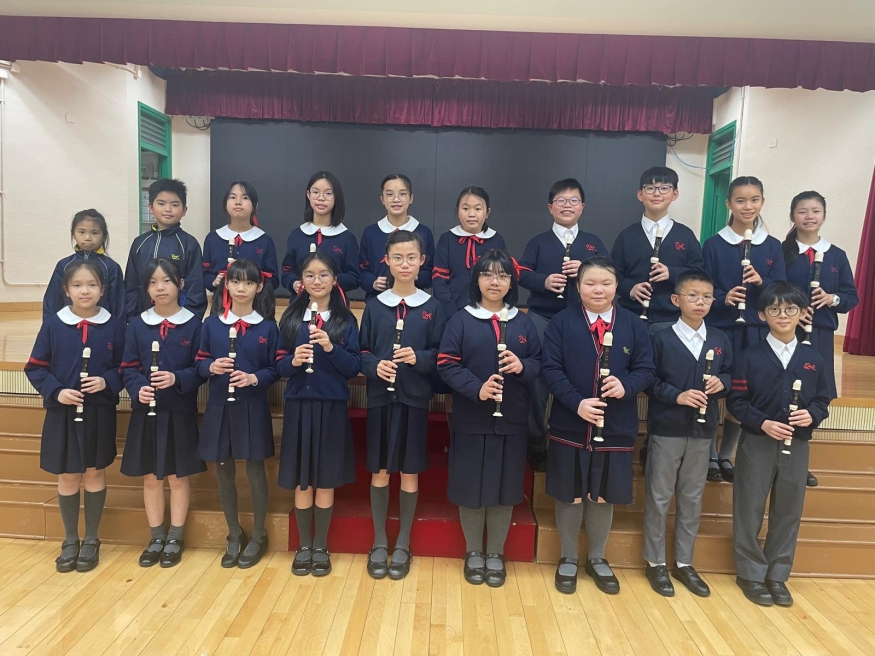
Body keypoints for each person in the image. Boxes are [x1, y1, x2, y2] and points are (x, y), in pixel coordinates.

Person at [541, 256, 655, 595]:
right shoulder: (561, 322)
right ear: (578, 287)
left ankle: (597, 557)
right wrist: (577, 403)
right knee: (571, 493)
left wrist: (626, 386)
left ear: (617, 286)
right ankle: (567, 557)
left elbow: (646, 370)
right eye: (590, 283)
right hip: (569, 421)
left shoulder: (633, 324)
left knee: (603, 495)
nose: (598, 289)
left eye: (606, 283)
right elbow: (550, 370)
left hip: (616, 424)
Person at [438, 250, 541, 588]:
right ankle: (473, 551)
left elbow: (540, 363)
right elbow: (446, 364)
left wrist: (522, 366)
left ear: (512, 282)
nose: (495, 281)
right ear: (477, 279)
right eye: (487, 274)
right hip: (471, 418)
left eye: (502, 275)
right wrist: (477, 388)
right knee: (471, 486)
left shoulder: (523, 322)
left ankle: (495, 552)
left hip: (511, 419)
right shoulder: (461, 319)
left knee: (505, 487)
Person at [728, 282, 830, 608]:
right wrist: (763, 423)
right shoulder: (749, 357)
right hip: (758, 441)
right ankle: (750, 574)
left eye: (790, 309)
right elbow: (736, 402)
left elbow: (823, 400)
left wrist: (812, 415)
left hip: (796, 445)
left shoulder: (814, 359)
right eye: (774, 309)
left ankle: (777, 575)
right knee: (749, 507)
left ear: (803, 313)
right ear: (762, 315)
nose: (782, 315)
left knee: (788, 510)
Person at [25, 260, 125, 573]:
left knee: (94, 472)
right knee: (68, 475)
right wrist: (57, 392)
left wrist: (106, 381)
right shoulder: (54, 325)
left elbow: (125, 367)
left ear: (102, 290)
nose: (85, 291)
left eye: (92, 285)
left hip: (98, 411)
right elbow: (35, 368)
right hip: (63, 412)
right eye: (78, 285)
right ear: (66, 290)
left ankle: (92, 538)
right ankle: (70, 539)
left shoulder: (114, 325)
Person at [643, 269, 732, 598]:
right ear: (675, 299)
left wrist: (723, 383)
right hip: (667, 428)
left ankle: (684, 562)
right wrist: (677, 396)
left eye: (707, 297)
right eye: (692, 295)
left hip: (703, 431)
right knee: (659, 496)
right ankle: (655, 561)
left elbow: (731, 375)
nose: (700, 302)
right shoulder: (661, 337)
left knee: (692, 498)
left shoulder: (720, 339)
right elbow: (648, 380)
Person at [360, 230, 444, 580]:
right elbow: (362, 351)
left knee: (409, 471)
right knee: (380, 470)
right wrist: (374, 366)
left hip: (414, 399)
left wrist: (419, 358)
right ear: (387, 261)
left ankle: (404, 542)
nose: (404, 264)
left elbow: (441, 354)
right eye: (398, 258)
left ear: (422, 261)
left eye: (411, 257)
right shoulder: (374, 305)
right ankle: (380, 540)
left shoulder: (433, 306)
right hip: (381, 398)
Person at [611, 167, 705, 470]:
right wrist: (630, 287)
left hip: (670, 322)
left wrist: (672, 273)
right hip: (632, 319)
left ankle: (655, 443)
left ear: (674, 194)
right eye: (650, 188)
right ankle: (621, 439)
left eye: (664, 188)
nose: (656, 193)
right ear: (640, 194)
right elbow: (612, 274)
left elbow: (698, 273)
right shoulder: (627, 236)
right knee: (628, 378)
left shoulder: (685, 236)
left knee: (665, 383)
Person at [277, 252, 361, 577]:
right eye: (310, 275)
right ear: (301, 281)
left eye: (324, 274)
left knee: (325, 478)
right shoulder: (292, 317)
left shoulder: (344, 320)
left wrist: (330, 347)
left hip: (331, 406)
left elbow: (353, 367)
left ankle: (321, 546)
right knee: (303, 480)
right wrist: (293, 361)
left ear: (334, 280)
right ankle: (304, 545)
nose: (317, 280)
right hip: (299, 405)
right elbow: (278, 365)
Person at [120, 258, 206, 568]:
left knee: (178, 477)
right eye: (153, 282)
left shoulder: (194, 324)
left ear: (180, 284)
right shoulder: (137, 325)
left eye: (167, 281)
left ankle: (175, 537)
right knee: (151, 478)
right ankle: (156, 536)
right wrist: (138, 388)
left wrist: (177, 378)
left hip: (179, 410)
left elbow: (200, 368)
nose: (160, 287)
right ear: (146, 289)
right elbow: (128, 367)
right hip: (147, 413)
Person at [518, 178, 608, 472]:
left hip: (581, 321)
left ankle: (569, 440)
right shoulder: (538, 241)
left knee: (578, 379)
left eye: (573, 200)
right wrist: (544, 281)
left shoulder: (593, 242)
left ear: (582, 206)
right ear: (550, 207)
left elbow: (609, 276)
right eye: (560, 200)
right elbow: (521, 274)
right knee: (537, 383)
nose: (567, 205)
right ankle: (536, 443)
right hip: (542, 319)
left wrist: (585, 270)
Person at [702, 176, 786, 483]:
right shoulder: (713, 244)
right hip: (721, 328)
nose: (747, 206)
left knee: (743, 391)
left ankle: (727, 454)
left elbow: (781, 290)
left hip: (757, 330)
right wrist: (723, 297)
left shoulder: (772, 246)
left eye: (754, 200)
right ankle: (710, 454)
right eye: (740, 200)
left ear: (762, 202)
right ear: (729, 204)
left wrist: (762, 282)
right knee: (714, 388)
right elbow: (703, 286)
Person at [196, 259, 278, 569]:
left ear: (259, 287)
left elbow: (276, 368)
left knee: (255, 469)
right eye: (235, 281)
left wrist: (254, 377)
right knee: (223, 468)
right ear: (226, 285)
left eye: (249, 282)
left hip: (253, 406)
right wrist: (211, 366)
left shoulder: (267, 327)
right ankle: (233, 533)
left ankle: (258, 534)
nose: (241, 288)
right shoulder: (212, 324)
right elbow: (199, 363)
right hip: (220, 406)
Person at [781, 191, 858, 488]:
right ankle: (775, 456)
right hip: (786, 332)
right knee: (782, 390)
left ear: (824, 216)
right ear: (792, 216)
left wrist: (831, 298)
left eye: (815, 211)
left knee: (813, 395)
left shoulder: (836, 255)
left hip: (821, 335)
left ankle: (799, 460)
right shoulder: (782, 251)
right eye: (802, 211)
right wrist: (792, 310)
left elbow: (851, 297)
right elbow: (772, 289)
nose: (809, 216)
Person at [125, 178, 206, 319]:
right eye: (161, 203)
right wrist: (132, 320)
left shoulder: (189, 244)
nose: (168, 209)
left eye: (175, 204)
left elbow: (196, 288)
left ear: (184, 210)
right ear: (150, 207)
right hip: (144, 319)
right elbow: (131, 286)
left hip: (180, 320)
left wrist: (190, 321)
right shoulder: (140, 243)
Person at [432, 186, 507, 320]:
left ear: (487, 212)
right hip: (450, 314)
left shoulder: (496, 240)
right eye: (465, 208)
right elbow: (439, 280)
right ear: (457, 211)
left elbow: (501, 279)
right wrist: (451, 313)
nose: (471, 214)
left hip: (487, 313)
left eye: (478, 209)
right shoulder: (447, 239)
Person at [281, 170, 360, 295]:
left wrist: (330, 280)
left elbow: (354, 277)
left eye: (328, 193)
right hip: (301, 303)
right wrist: (294, 283)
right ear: (308, 195)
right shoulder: (297, 235)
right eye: (315, 192)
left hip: (335, 303)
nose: (321, 198)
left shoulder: (346, 238)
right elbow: (287, 272)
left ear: (336, 197)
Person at [358, 174, 435, 301]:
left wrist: (413, 276)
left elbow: (430, 272)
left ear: (411, 198)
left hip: (415, 301)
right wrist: (373, 282)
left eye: (402, 194)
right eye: (390, 194)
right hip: (378, 300)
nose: (396, 199)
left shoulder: (424, 232)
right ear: (382, 199)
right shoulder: (370, 233)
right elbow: (361, 271)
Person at [42, 209, 125, 320]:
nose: (87, 238)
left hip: (101, 323)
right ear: (73, 234)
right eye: (82, 232)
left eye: (94, 233)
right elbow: (52, 300)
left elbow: (118, 304)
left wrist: (117, 328)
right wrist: (49, 326)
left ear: (104, 235)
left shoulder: (111, 267)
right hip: (68, 323)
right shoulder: (64, 265)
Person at [202, 181, 279, 291]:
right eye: (232, 197)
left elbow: (274, 280)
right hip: (221, 300)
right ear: (226, 204)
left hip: (255, 300)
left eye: (245, 198)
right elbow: (204, 274)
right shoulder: (213, 238)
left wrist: (252, 278)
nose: (238, 202)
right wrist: (215, 281)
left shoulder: (264, 241)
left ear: (255, 205)